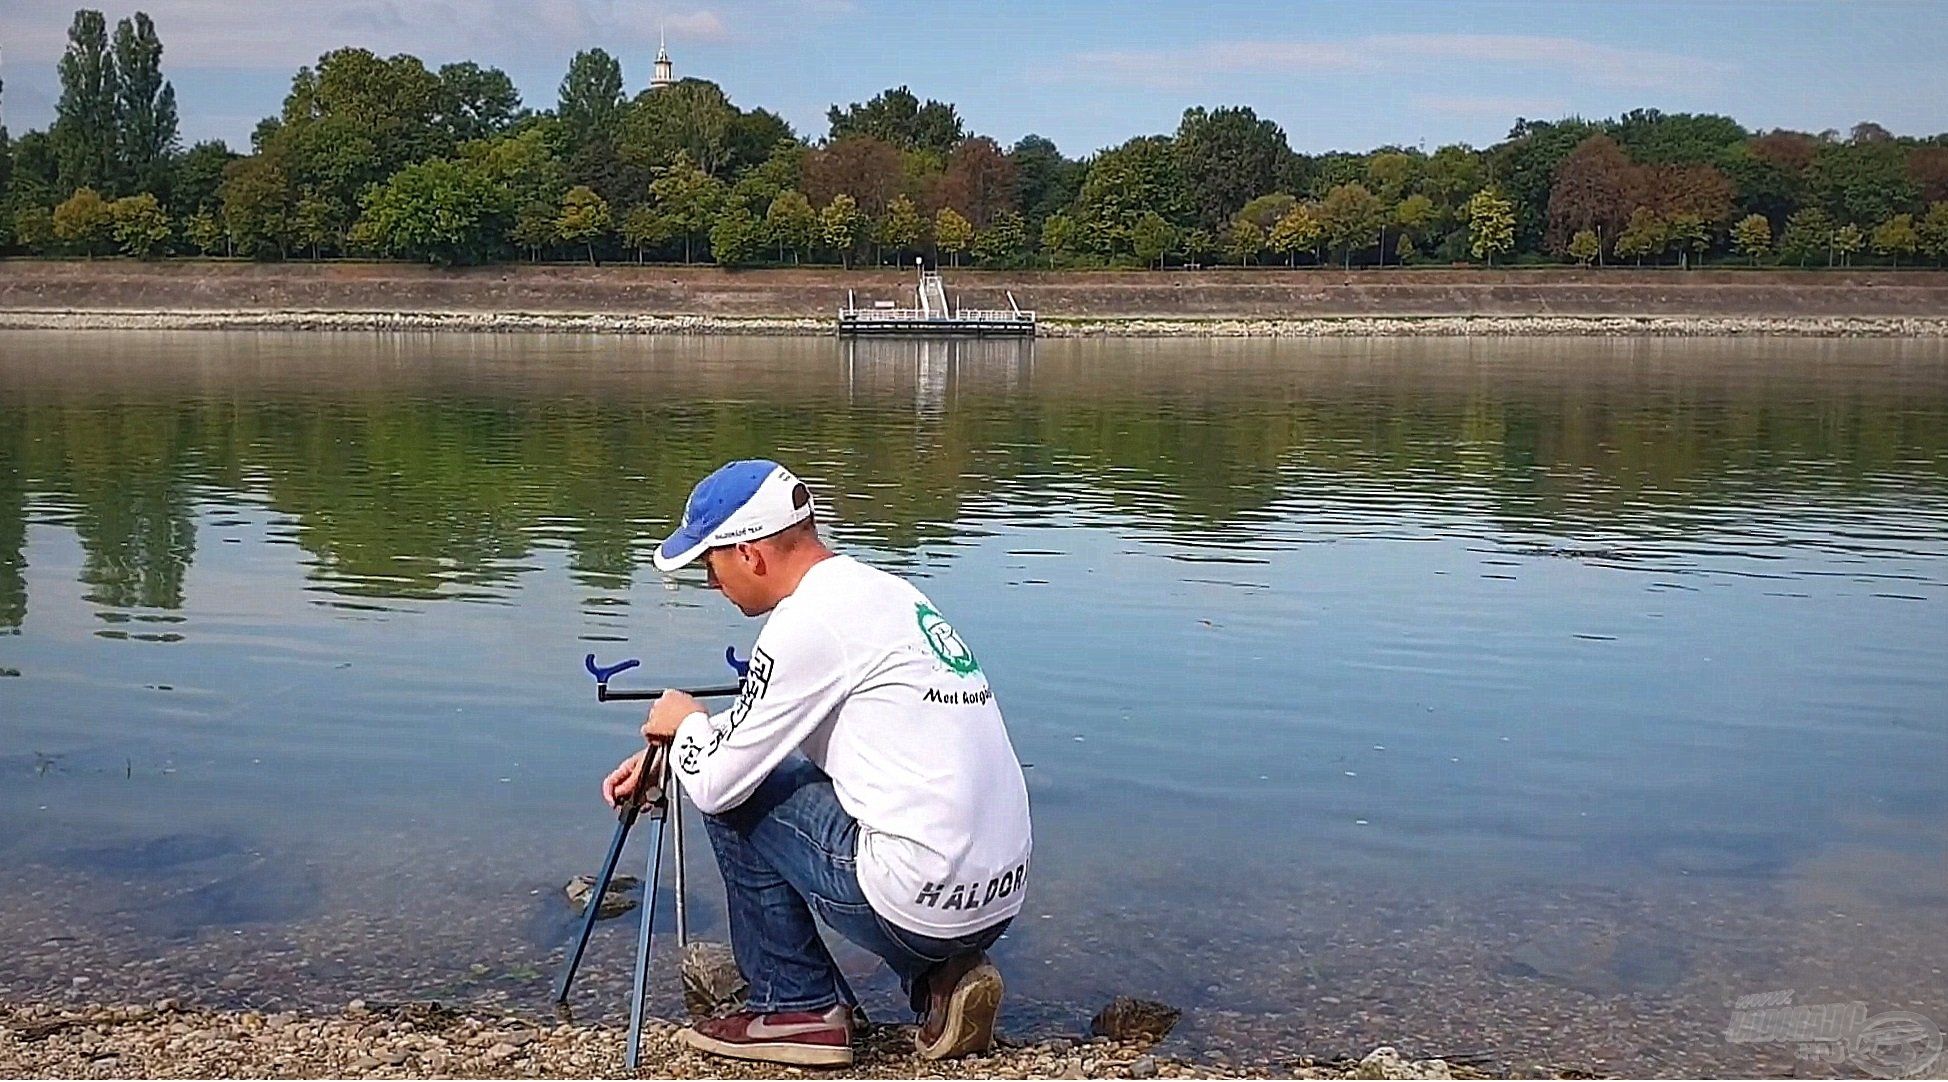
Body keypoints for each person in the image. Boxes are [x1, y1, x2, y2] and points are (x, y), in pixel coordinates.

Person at [601, 459, 1032, 1068]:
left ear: (750, 555)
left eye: (710, 564)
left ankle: (796, 1008)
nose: (710, 584)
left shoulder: (805, 623)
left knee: (733, 800)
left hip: (920, 898)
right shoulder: (886, 594)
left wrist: (686, 723)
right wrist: (675, 756)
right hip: (995, 900)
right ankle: (943, 979)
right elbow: (769, 728)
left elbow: (723, 783)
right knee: (782, 777)